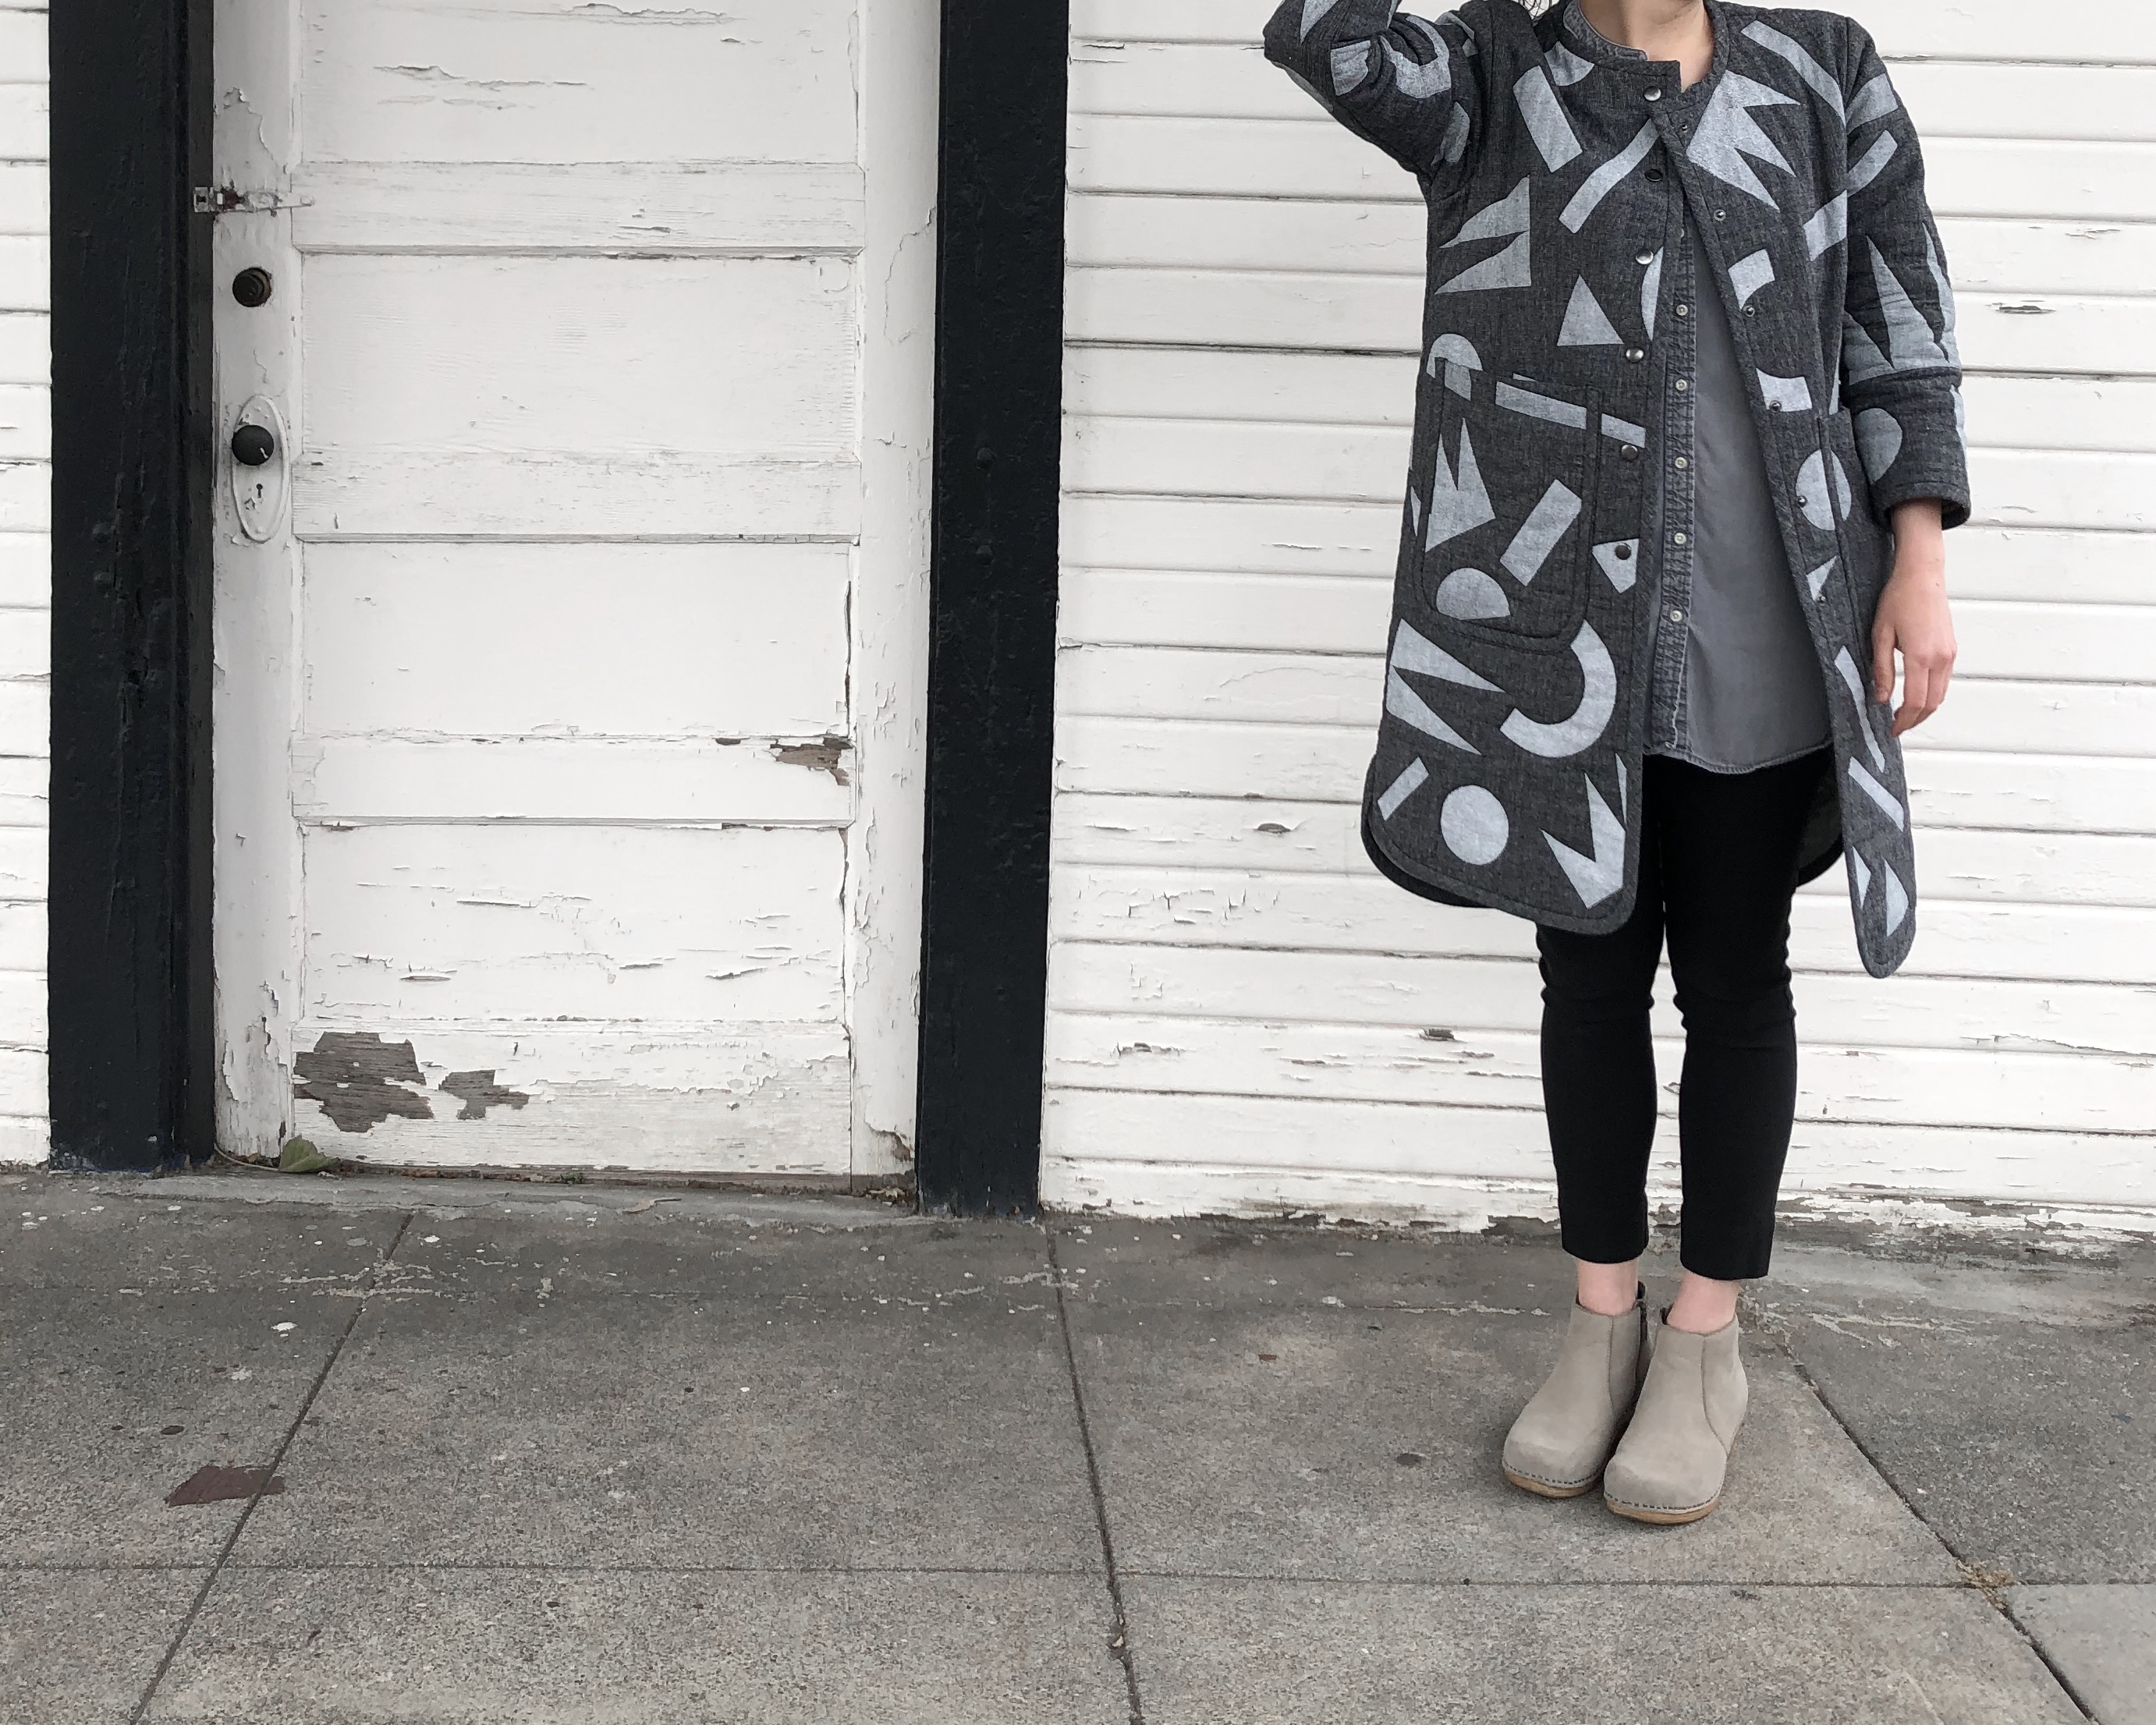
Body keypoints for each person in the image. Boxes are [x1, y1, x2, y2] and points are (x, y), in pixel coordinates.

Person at [1262, 0, 1964, 1523]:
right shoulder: (1484, 78)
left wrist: (1915, 555)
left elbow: (1893, 315)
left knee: (1735, 978)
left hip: (1766, 617)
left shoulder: (1821, 71)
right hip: (1555, 635)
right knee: (1583, 977)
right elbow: (1325, 34)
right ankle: (1597, 1320)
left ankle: (1702, 1342)